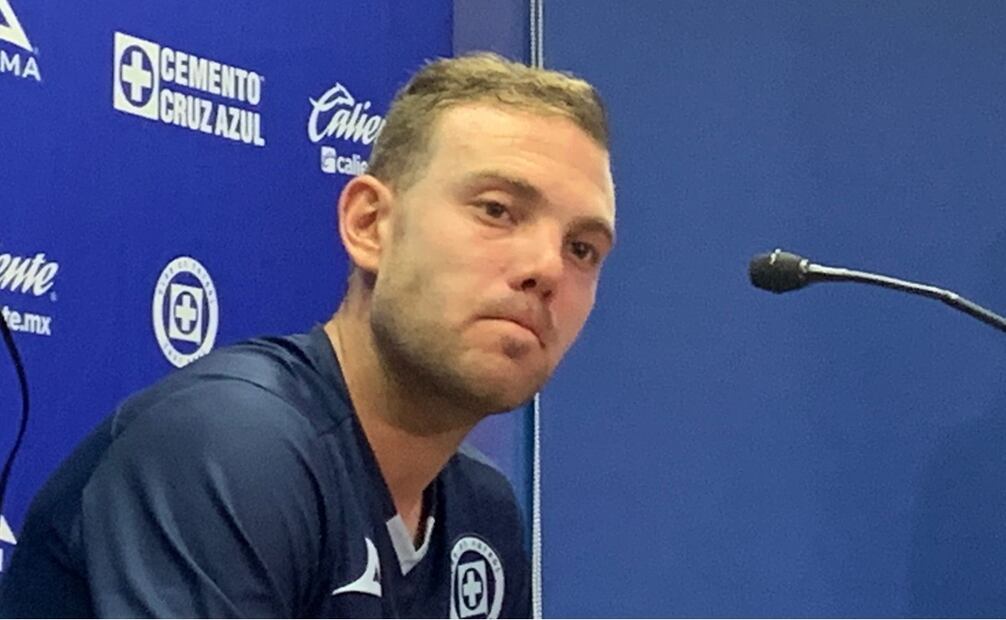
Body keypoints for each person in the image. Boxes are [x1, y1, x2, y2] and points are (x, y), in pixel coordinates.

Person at [0, 52, 616, 618]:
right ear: (369, 224)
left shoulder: (484, 514)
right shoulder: (234, 446)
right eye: (497, 210)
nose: (547, 268)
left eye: (583, 248)